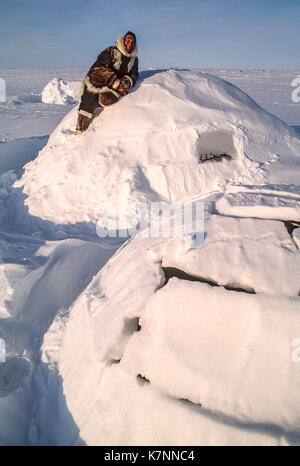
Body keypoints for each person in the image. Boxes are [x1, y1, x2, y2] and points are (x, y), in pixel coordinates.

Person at [76, 31, 139, 134]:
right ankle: (80, 133)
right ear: (123, 41)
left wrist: (127, 82)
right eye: (128, 40)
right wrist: (116, 82)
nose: (130, 43)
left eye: (132, 41)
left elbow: (134, 74)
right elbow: (100, 67)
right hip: (94, 82)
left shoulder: (134, 60)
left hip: (112, 88)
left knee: (107, 99)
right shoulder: (111, 51)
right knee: (87, 103)